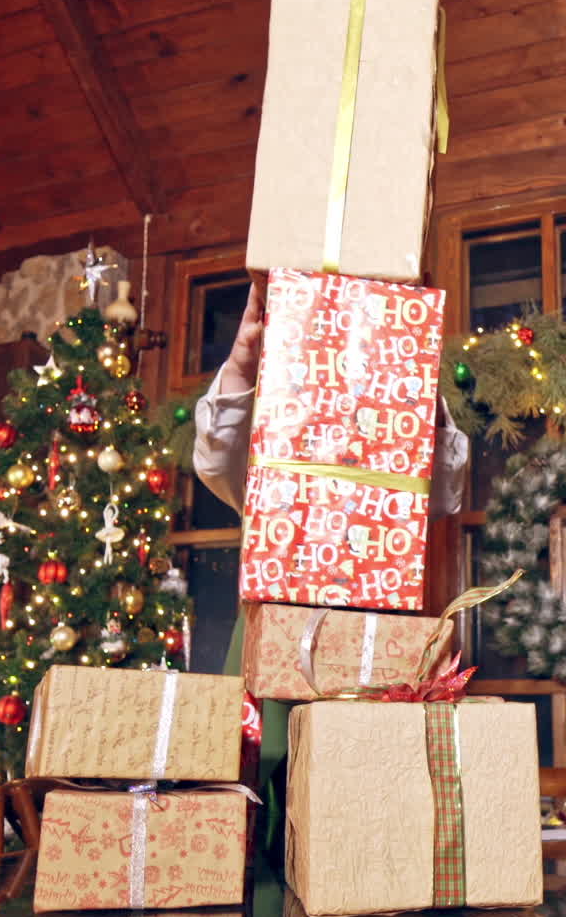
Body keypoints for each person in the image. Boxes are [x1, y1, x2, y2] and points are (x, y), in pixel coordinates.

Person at [192, 281, 470, 856]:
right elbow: (216, 459)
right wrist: (245, 363)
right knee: (257, 834)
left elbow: (441, 494)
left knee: (365, 833)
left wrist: (413, 378)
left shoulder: (394, 436)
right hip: (269, 658)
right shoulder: (281, 434)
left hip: (378, 651)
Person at [194, 281, 468, 515]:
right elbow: (218, 466)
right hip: (281, 567)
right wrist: (240, 368)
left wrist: (419, 384)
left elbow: (442, 494)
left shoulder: (389, 429)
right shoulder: (277, 437)